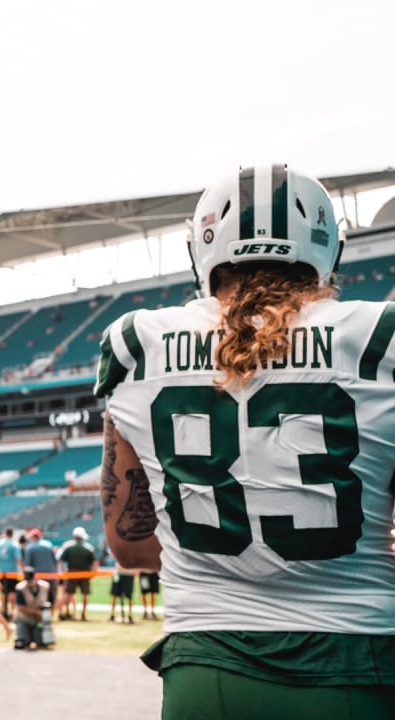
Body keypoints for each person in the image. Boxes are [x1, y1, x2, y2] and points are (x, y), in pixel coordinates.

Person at [97, 164, 395, 718]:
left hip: (205, 668)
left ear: (203, 251)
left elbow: (132, 545)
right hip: (357, 660)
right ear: (329, 247)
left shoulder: (138, 344)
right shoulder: (380, 338)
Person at [58, 527, 99, 621]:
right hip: (85, 573)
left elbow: (60, 561)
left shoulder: (69, 547)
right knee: (85, 594)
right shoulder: (89, 547)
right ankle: (83, 614)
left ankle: (63, 612)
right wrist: (94, 573)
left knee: (68, 594)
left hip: (72, 573)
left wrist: (64, 571)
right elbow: (95, 563)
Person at [13, 567, 52, 650]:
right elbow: (21, 607)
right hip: (24, 618)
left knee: (42, 642)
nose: (29, 582)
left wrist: (46, 616)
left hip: (39, 620)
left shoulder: (45, 586)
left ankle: (38, 638)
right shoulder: (20, 588)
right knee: (22, 642)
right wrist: (37, 612)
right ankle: (25, 637)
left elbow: (52, 602)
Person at [22, 528, 58, 605]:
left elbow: (28, 565)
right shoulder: (49, 545)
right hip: (52, 575)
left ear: (33, 537)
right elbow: (55, 561)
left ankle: (41, 616)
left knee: (39, 599)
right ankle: (51, 615)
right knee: (52, 598)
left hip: (38, 577)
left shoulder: (30, 547)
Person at [0, 528, 23, 620]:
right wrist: (22, 570)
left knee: (3, 593)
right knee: (12, 593)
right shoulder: (14, 545)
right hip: (12, 572)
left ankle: (3, 611)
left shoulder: (0, 544)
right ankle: (12, 611)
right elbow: (18, 559)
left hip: (2, 572)